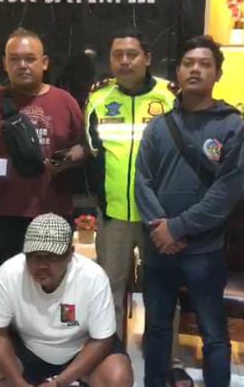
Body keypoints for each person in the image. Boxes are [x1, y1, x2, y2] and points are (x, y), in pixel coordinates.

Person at [135, 35, 244, 387]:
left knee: (213, 333)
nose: (195, 69)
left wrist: (177, 228)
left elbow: (225, 192)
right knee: (156, 328)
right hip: (159, 248)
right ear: (178, 72)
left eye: (204, 64)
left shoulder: (231, 125)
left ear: (218, 74)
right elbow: (142, 182)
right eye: (188, 63)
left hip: (204, 251)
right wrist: (161, 230)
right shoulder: (158, 126)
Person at [0, 27, 85, 278]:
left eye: (30, 59)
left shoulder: (65, 101)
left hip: (53, 214)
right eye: (14, 59)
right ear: (4, 64)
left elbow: (84, 146)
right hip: (1, 217)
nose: (22, 65)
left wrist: (69, 160)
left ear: (45, 62)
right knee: (6, 286)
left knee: (54, 287)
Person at [0, 213, 133, 387]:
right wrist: (17, 382)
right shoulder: (9, 273)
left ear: (70, 254)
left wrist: (59, 383)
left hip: (80, 350)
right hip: (26, 347)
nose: (42, 266)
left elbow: (102, 340)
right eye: (34, 256)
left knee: (118, 375)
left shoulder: (93, 277)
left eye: (52, 257)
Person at [84, 27, 176, 341]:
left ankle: (162, 354)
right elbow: (93, 152)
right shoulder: (98, 99)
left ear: (147, 58)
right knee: (109, 290)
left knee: (161, 290)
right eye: (117, 55)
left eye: (132, 54)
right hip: (114, 216)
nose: (124, 61)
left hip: (159, 217)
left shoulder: (170, 97)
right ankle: (110, 353)